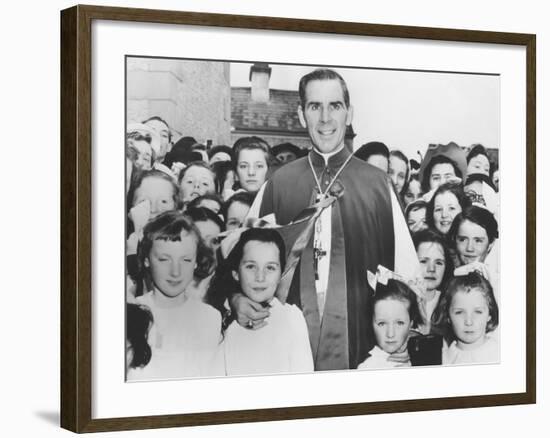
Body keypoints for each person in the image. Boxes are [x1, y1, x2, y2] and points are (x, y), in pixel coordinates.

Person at [240, 68, 419, 370]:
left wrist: (407, 334)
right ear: (301, 115)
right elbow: (242, 261)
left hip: (362, 342)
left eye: (334, 106)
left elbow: (407, 273)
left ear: (349, 113)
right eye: (315, 106)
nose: (325, 118)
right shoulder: (278, 183)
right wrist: (237, 299)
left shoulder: (378, 185)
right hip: (285, 341)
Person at [129, 211, 223, 380]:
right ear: (146, 260)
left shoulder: (210, 318)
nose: (176, 272)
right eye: (164, 259)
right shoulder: (131, 313)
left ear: (196, 261)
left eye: (186, 260)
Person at [213, 228, 313, 376]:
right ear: (236, 273)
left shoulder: (291, 317)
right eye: (251, 266)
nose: (260, 277)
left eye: (270, 268)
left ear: (281, 274)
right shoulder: (219, 316)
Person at [432, 272, 499, 364]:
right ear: (447, 316)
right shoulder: (442, 358)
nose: (468, 321)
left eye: (478, 312)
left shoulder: (498, 354)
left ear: (490, 314)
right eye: (459, 312)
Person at [357, 278, 423, 369]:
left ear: (411, 324)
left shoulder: (422, 360)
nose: (390, 334)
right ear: (371, 324)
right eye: (382, 324)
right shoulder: (367, 368)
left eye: (399, 323)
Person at [413, 228, 454, 333]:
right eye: (423, 261)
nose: (431, 269)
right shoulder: (400, 302)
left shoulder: (452, 302)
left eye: (439, 263)